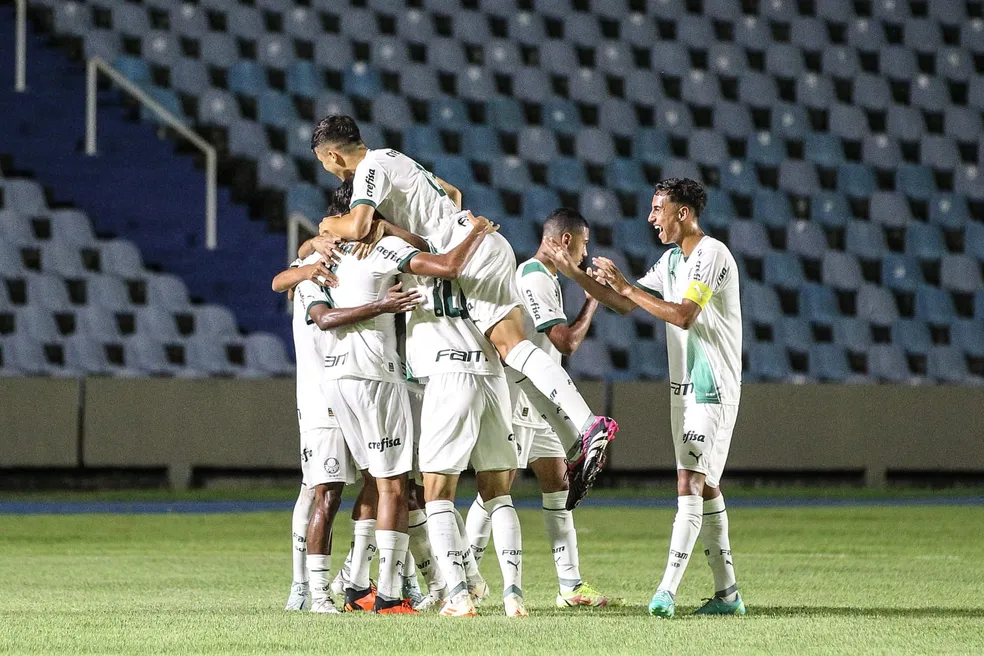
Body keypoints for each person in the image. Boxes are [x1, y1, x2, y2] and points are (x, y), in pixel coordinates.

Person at [310, 115, 618, 509]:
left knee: (512, 348)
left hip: (470, 252)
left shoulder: (370, 167)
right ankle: (575, 441)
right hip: (486, 245)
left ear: (333, 154)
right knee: (512, 357)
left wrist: (328, 223)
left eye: (324, 162)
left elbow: (358, 224)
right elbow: (453, 195)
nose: (328, 170)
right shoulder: (397, 159)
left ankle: (588, 423)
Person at [546, 178, 745, 618]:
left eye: (659, 209)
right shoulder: (671, 260)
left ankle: (666, 592)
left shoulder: (711, 255)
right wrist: (578, 274)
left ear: (683, 213)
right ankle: (728, 594)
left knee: (688, 482)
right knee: (706, 486)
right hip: (684, 388)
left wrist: (627, 287)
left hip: (711, 387)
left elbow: (684, 315)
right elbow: (623, 304)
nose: (652, 218)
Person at [311, 192, 498, 614]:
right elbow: (448, 266)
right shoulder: (382, 246)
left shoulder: (329, 249)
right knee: (394, 485)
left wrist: (317, 237)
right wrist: (478, 233)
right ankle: (391, 596)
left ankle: (358, 585)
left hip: (337, 377)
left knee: (376, 483)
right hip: (375, 373)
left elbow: (292, 274)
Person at [464, 208, 621, 608]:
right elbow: (565, 341)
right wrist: (592, 303)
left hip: (543, 405)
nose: (586, 254)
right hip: (519, 401)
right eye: (584, 244)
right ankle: (464, 574)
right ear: (566, 240)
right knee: (495, 491)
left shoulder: (546, 278)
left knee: (558, 486)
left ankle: (570, 586)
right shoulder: (533, 275)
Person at [273, 249, 371, 614]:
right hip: (319, 398)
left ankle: (355, 575)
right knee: (318, 492)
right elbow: (280, 280)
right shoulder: (313, 264)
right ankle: (306, 587)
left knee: (385, 481)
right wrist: (307, 265)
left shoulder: (358, 259)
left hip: (355, 391)